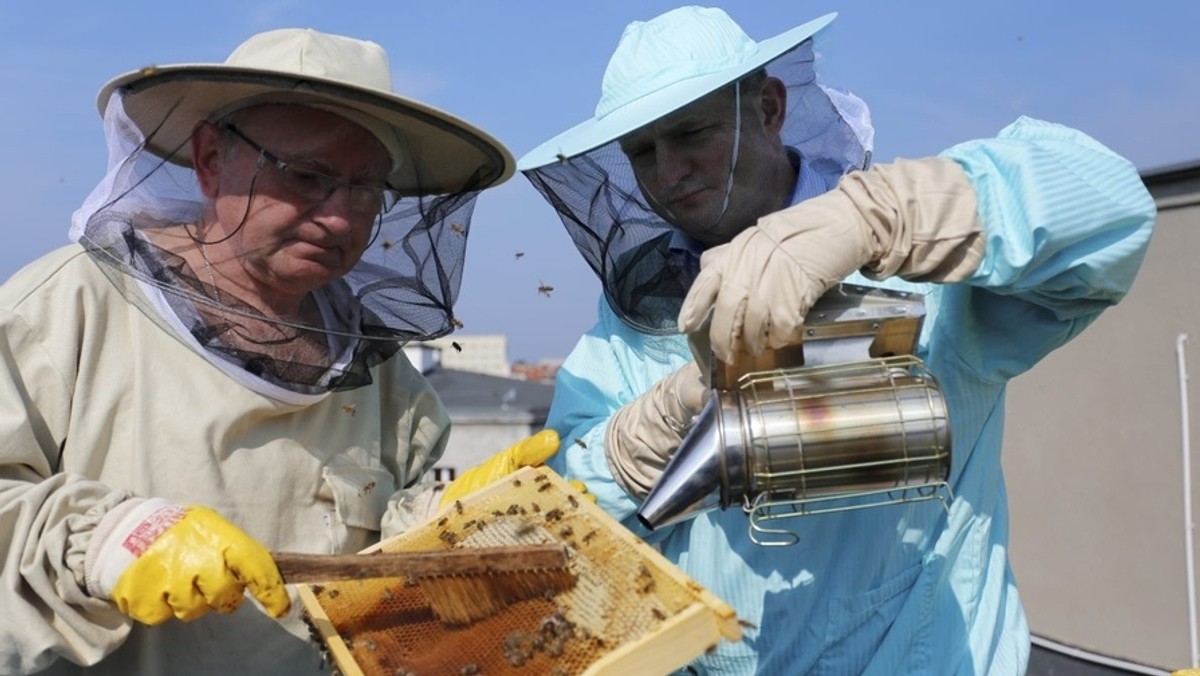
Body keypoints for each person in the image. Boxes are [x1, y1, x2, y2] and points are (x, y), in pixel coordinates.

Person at [515, 6, 1156, 674]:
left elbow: (1110, 209)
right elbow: (562, 518)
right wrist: (668, 416)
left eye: (689, 134)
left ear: (768, 108)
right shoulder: (628, 325)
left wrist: (879, 218)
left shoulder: (913, 263)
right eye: (641, 152)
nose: (666, 172)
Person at [0, 27, 557, 675]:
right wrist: (104, 541)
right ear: (211, 159)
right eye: (308, 175)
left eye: (366, 189)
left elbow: (378, 558)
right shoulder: (59, 310)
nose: (342, 219)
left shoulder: (383, 376)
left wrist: (446, 522)